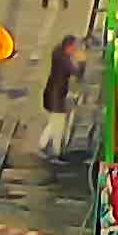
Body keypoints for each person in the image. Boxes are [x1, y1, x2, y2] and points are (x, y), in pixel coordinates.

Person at [38, 33, 88, 161]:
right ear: (68, 47)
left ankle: (42, 144)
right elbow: (77, 74)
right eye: (73, 48)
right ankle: (56, 152)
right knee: (59, 124)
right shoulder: (64, 61)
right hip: (57, 96)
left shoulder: (57, 52)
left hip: (50, 93)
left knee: (55, 121)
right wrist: (82, 62)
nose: (75, 50)